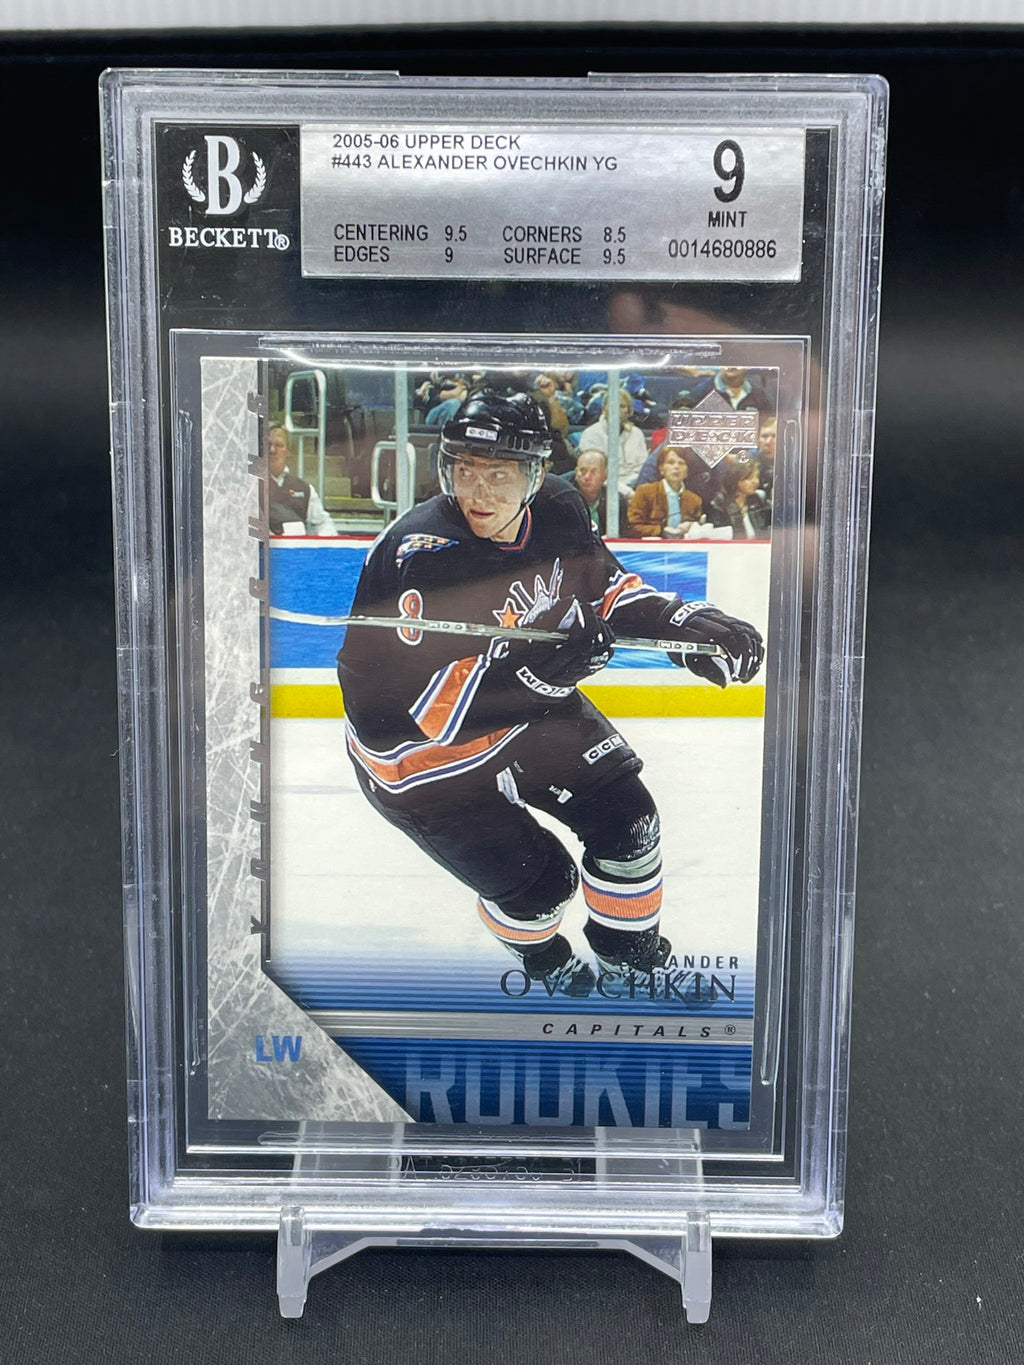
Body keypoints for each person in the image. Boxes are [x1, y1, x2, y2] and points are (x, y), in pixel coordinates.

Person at [336, 392, 763, 998]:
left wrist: (677, 620)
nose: (477, 491)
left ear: (534, 474)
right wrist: (539, 678)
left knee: (629, 824)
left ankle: (630, 963)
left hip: (528, 708)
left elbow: (605, 588)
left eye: (498, 474)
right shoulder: (422, 556)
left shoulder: (560, 505)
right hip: (421, 762)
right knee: (542, 887)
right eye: (464, 470)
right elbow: (420, 711)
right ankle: (543, 959)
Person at [578, 387, 650, 494]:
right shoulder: (591, 434)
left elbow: (643, 468)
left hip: (636, 485)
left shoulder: (637, 433)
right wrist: (626, 492)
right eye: (613, 405)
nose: (616, 410)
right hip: (604, 489)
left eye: (622, 406)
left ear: (628, 410)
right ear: (604, 409)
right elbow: (595, 475)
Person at [267, 425, 337, 536]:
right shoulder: (250, 486)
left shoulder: (305, 489)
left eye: (279, 445)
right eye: (268, 445)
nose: (272, 450)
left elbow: (324, 523)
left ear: (288, 451)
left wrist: (324, 544)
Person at [628, 446, 704, 539]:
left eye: (681, 463)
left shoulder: (695, 500)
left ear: (687, 471)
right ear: (661, 469)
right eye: (670, 462)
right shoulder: (644, 492)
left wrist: (692, 526)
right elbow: (633, 527)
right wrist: (661, 531)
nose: (676, 467)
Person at [572, 448, 630, 536]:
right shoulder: (565, 499)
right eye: (583, 471)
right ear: (576, 472)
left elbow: (624, 534)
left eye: (594, 472)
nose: (587, 477)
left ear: (605, 475)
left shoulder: (616, 500)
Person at [708, 458, 772, 540]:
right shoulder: (720, 503)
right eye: (749, 478)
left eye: (757, 476)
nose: (755, 481)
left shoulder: (759, 499)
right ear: (735, 479)